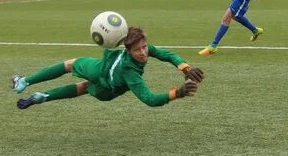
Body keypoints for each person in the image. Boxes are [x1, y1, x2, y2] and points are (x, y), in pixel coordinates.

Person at [12, 26, 203, 109]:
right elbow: (149, 99)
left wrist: (184, 67)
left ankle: (25, 81)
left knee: (72, 66)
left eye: (145, 47)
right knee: (83, 87)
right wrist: (177, 93)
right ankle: (42, 96)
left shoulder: (136, 54)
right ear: (127, 49)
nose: (144, 53)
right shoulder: (131, 73)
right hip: (107, 82)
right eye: (138, 50)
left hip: (105, 70)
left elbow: (166, 54)